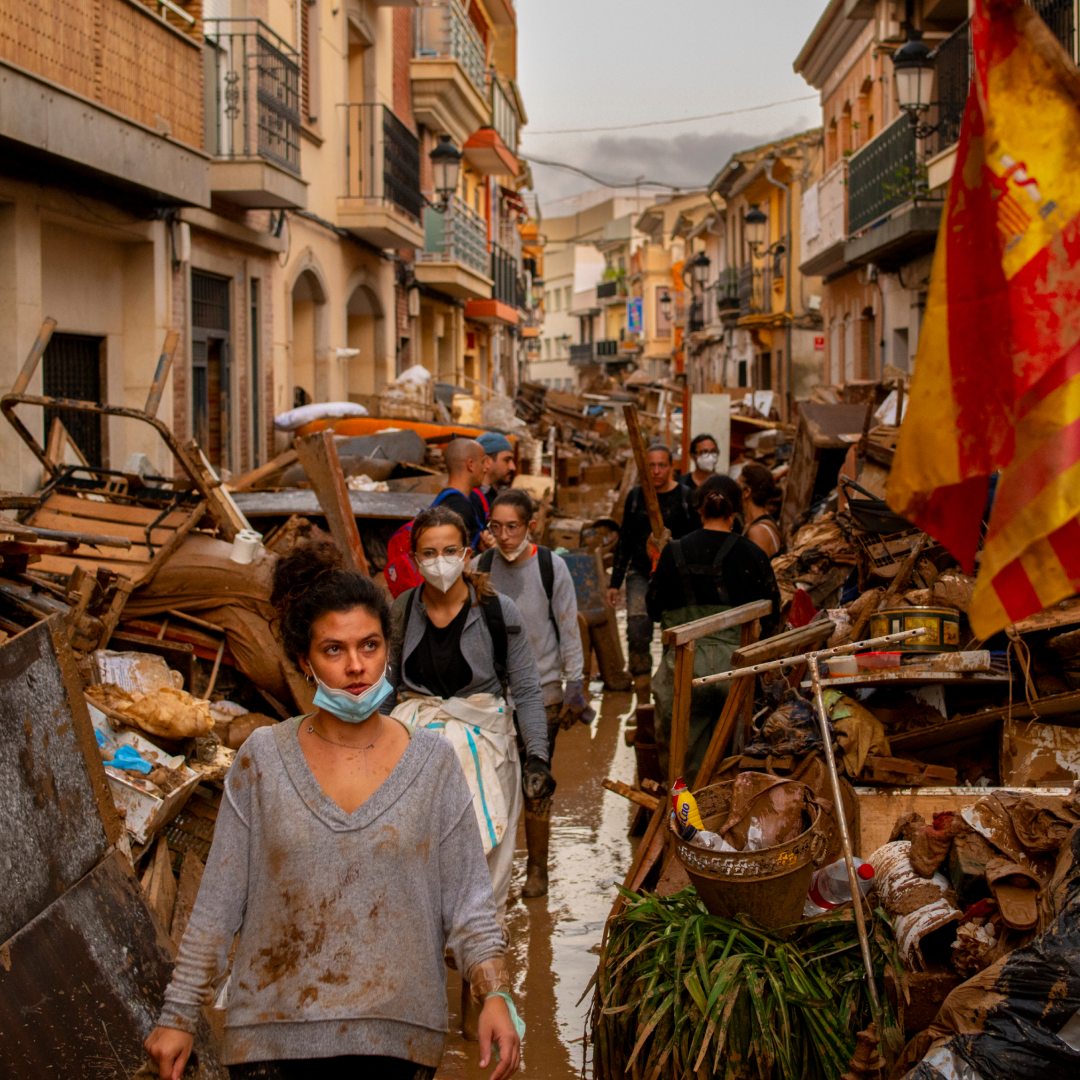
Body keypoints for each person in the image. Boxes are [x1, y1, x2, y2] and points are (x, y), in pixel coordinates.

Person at [144, 539, 521, 1080]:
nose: (355, 667)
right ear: (305, 660)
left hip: (397, 1042)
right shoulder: (263, 760)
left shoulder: (432, 763)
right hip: (271, 1044)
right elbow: (218, 905)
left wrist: (495, 994)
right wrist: (179, 1013)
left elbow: (469, 902)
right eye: (334, 650)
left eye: (369, 646)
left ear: (388, 650)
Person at [385, 504, 553, 1034]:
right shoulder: (399, 612)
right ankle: (421, 1013)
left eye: (449, 551)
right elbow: (384, 687)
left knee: (485, 880)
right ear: (415, 558)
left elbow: (525, 689)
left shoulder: (498, 612)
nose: (440, 563)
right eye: (429, 553)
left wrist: (537, 757)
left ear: (467, 550)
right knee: (416, 875)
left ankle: (477, 1012)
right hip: (415, 751)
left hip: (487, 751)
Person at [473, 489, 589, 899]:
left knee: (536, 783)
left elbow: (568, 627)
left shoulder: (549, 566)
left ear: (530, 527)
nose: (504, 536)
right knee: (493, 784)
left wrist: (575, 686)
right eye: (496, 527)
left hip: (542, 694)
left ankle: (536, 870)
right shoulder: (480, 568)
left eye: (513, 527)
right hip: (491, 696)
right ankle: (490, 875)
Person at [646, 474, 780, 782]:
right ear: (736, 512)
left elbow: (653, 610)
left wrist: (659, 563)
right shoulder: (754, 555)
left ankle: (683, 821)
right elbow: (771, 620)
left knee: (682, 770)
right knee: (734, 766)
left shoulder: (672, 553)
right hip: (737, 673)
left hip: (682, 671)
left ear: (698, 509)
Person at [607, 442, 697, 696]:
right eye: (651, 466)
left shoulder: (685, 497)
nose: (656, 471)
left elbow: (695, 540)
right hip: (640, 574)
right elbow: (624, 539)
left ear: (671, 468)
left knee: (675, 636)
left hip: (675, 578)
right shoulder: (636, 497)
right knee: (637, 632)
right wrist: (615, 582)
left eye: (661, 465)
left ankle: (669, 696)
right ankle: (643, 699)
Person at [434, 438, 490, 549]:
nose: (485, 468)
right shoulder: (460, 509)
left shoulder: (444, 500)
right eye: (483, 462)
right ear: (471, 464)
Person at [740, 462, 784, 557]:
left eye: (737, 484)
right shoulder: (752, 524)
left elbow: (758, 570)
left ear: (747, 492)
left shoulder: (758, 532)